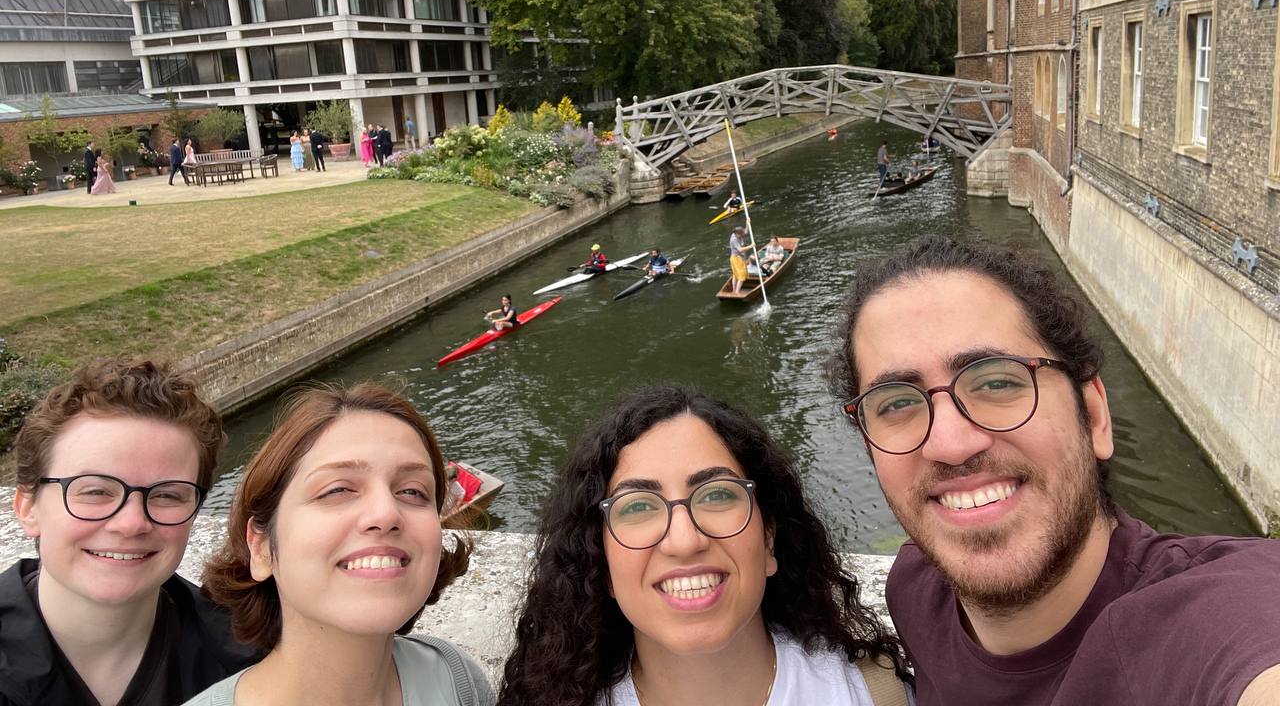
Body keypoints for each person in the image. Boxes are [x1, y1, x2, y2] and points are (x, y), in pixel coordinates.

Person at [830, 235, 1280, 706]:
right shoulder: (917, 588)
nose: (950, 444)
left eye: (998, 380)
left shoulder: (1214, 617)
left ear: (1094, 416)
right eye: (898, 403)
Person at [496, 386, 912, 706]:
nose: (685, 540)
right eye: (638, 506)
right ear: (599, 560)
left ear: (769, 538)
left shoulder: (878, 695)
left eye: (716, 495)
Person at [187, 383, 493, 706]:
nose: (386, 513)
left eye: (413, 491)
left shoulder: (458, 678)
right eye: (337, 490)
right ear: (261, 547)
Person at [2, 359, 258, 706]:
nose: (132, 523)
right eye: (95, 491)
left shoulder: (248, 668)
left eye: (167, 494)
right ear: (27, 508)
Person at [729, 226, 753, 295]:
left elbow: (745, 232)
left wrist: (747, 223)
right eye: (741, 234)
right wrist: (751, 246)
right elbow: (740, 249)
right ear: (737, 233)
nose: (742, 235)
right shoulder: (734, 239)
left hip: (736, 258)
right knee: (741, 276)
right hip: (737, 259)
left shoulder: (737, 233)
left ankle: (734, 291)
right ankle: (736, 292)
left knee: (735, 275)